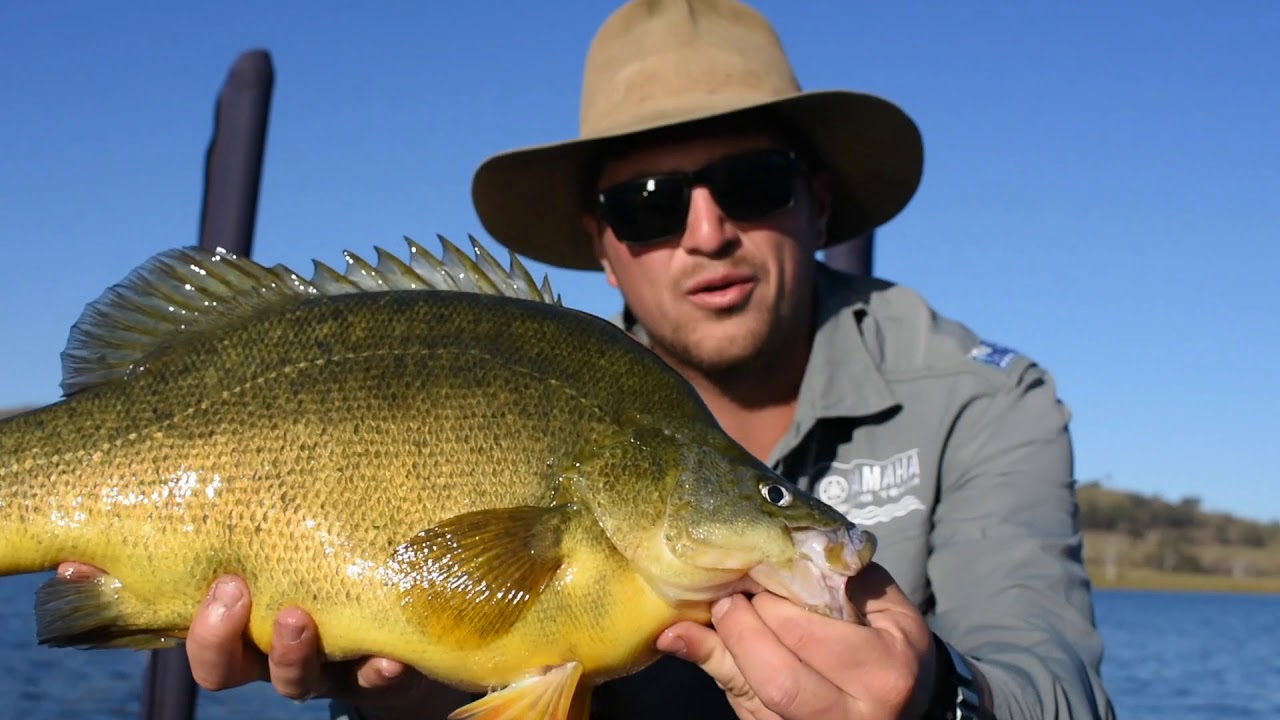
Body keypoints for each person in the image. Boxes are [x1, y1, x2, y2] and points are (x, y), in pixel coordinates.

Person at [60, 1, 1116, 718]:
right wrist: (408, 692)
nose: (705, 232)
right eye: (647, 204)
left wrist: (936, 697)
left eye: (749, 181)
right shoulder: (553, 373)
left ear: (817, 199)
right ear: (601, 242)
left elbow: (1057, 682)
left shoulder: (981, 399)